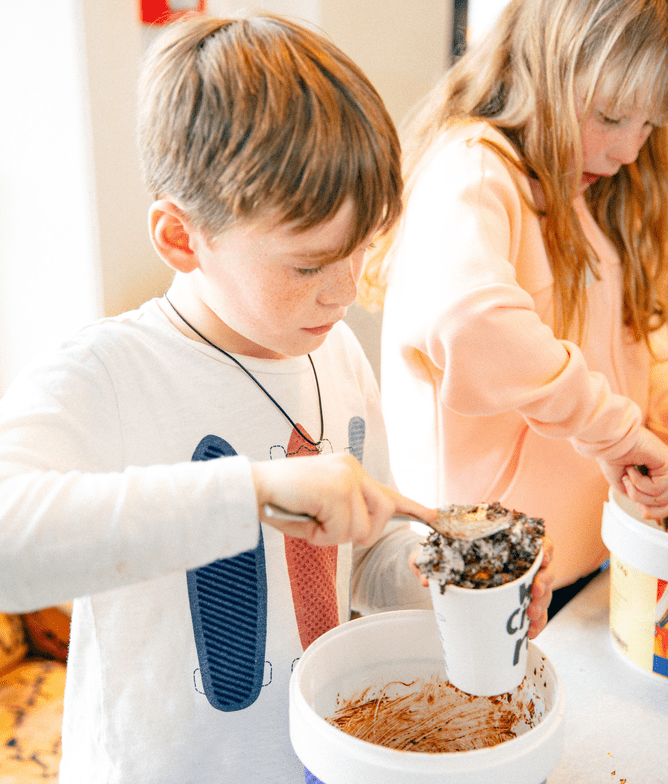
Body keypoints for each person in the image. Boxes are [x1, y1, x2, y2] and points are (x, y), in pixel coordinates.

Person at [0, 13, 552, 783]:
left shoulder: (336, 352)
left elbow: (363, 560)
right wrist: (254, 493)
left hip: (316, 759)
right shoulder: (107, 378)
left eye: (362, 247)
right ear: (182, 238)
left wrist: (444, 578)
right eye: (308, 265)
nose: (345, 289)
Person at [362, 0, 668, 616]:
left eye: (649, 125)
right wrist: (617, 434)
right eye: (610, 116)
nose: (628, 151)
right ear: (542, 68)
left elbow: (632, 344)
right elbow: (471, 322)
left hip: (577, 576)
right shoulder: (473, 170)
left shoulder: (583, 192)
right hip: (476, 585)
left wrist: (653, 427)